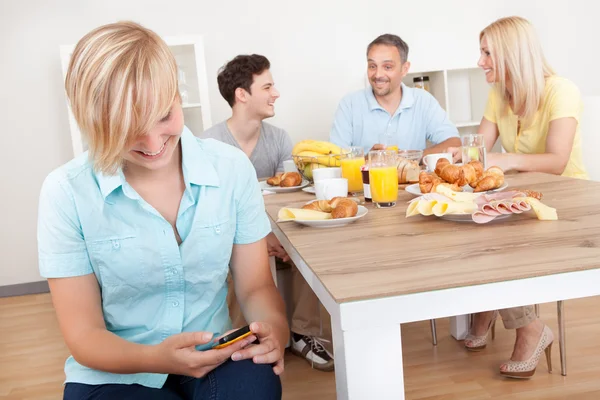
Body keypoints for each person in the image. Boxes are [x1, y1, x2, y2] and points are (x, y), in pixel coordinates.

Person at [37, 22, 287, 399]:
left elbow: (255, 286)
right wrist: (158, 358)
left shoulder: (231, 169)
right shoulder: (66, 192)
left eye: (163, 115)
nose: (153, 143)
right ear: (93, 122)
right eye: (127, 127)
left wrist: (275, 330)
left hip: (215, 354)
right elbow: (84, 336)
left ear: (177, 95)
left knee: (257, 386)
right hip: (115, 370)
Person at [448, 16, 588, 379]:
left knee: (500, 242)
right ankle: (492, 306)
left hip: (571, 204)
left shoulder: (561, 90)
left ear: (511, 54)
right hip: (528, 200)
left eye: (487, 53)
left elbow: (558, 161)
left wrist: (506, 161)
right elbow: (479, 150)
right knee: (476, 227)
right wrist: (453, 161)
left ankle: (530, 329)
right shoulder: (499, 95)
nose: (480, 62)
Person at [202, 55, 335, 372]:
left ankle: (304, 332)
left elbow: (286, 197)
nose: (276, 93)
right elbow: (210, 214)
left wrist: (276, 238)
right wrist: (258, 240)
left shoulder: (278, 139)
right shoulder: (208, 144)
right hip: (233, 238)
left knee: (306, 247)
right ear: (242, 94)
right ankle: (237, 338)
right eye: (268, 86)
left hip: (274, 232)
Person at [330, 34, 461, 155]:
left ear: (404, 69)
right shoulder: (349, 105)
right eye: (372, 66)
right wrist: (368, 161)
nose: (378, 74)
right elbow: (335, 158)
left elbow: (453, 142)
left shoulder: (423, 101)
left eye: (387, 67)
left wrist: (412, 158)